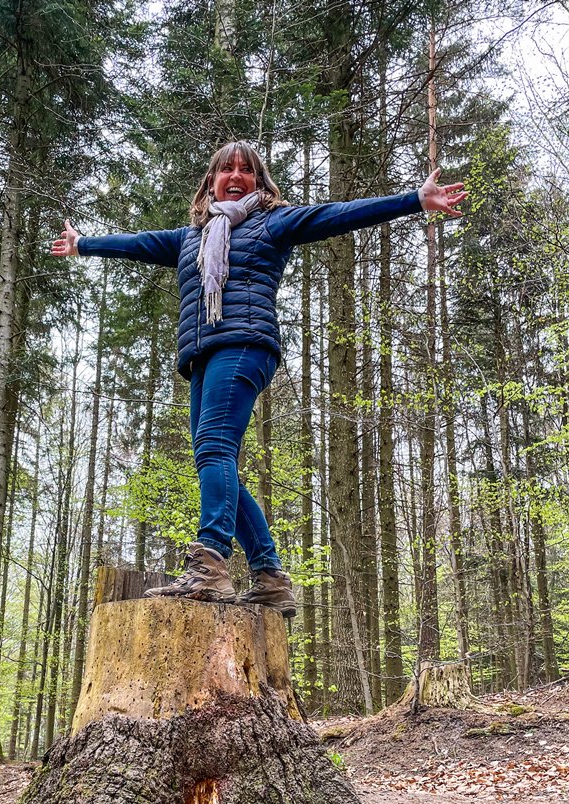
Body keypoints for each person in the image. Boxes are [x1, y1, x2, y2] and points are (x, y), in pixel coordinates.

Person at [51, 141, 466, 617]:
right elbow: (139, 244)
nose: (234, 175)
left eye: (246, 170)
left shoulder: (273, 222)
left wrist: (413, 199)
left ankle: (210, 562)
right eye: (225, 168)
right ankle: (269, 577)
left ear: (259, 182)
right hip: (202, 356)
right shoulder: (191, 238)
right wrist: (84, 244)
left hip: (246, 344)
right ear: (210, 181)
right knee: (216, 456)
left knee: (213, 448)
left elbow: (338, 214)